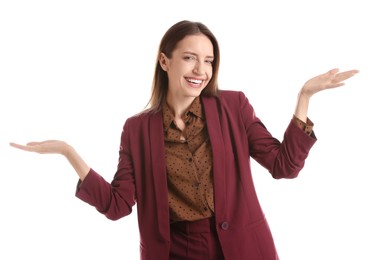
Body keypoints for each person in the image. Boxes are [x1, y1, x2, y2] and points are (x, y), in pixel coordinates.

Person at [10, 20, 359, 260]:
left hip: (244, 247)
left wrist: (304, 98)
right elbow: (118, 206)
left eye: (208, 61)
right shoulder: (137, 129)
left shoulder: (233, 106)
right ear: (165, 60)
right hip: (177, 251)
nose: (200, 70)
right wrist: (69, 153)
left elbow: (284, 167)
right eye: (190, 58)